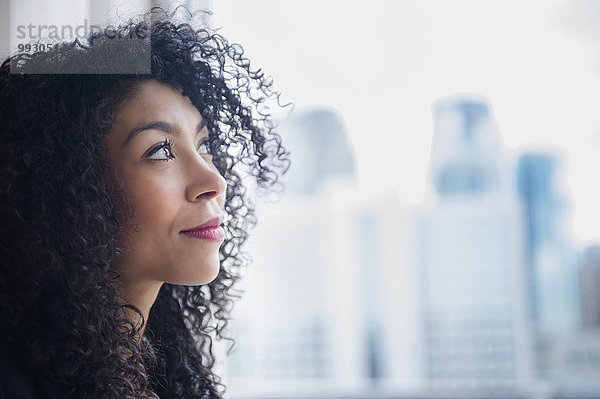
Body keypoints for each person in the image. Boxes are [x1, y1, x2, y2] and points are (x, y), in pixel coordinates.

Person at [0, 8, 289, 399]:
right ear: (71, 188)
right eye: (160, 151)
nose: (213, 181)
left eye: (203, 145)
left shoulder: (166, 368)